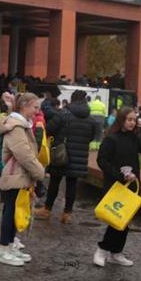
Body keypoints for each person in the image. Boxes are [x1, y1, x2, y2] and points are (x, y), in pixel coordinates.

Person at [93, 106, 141, 267]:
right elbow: (102, 161)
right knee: (116, 220)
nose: (132, 123)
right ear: (121, 120)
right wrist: (119, 174)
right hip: (114, 183)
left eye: (134, 120)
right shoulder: (111, 138)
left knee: (125, 220)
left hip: (131, 185)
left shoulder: (134, 138)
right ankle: (102, 249)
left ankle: (116, 252)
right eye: (129, 119)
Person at [0, 92, 46, 267]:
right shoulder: (16, 126)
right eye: (35, 107)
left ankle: (9, 247)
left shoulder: (19, 124)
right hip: (14, 175)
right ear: (24, 106)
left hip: (18, 175)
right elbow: (23, 154)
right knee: (10, 213)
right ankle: (3, 249)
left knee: (14, 211)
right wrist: (40, 172)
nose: (37, 112)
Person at [38, 90, 98, 223]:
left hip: (61, 154)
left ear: (72, 99)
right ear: (85, 100)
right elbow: (91, 136)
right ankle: (67, 214)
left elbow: (49, 129)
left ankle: (47, 209)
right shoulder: (90, 119)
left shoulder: (63, 114)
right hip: (79, 156)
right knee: (72, 185)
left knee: (54, 182)